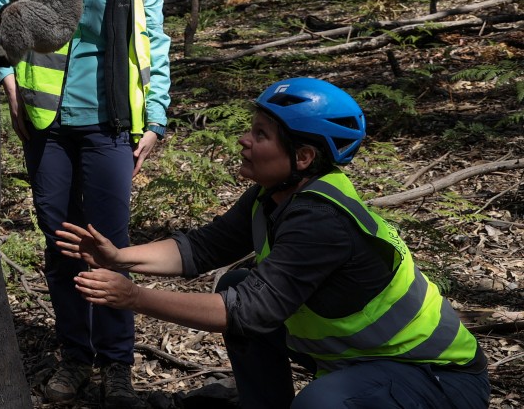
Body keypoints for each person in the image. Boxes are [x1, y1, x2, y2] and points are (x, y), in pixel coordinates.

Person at [56, 78, 490, 409]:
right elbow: (204, 248)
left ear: (302, 157)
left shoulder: (322, 220)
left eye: (260, 135)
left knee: (320, 404)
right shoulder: (275, 194)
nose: (244, 141)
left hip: (438, 378)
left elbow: (248, 311)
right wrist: (119, 257)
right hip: (361, 362)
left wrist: (133, 297)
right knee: (238, 279)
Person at [0, 0, 171, 408]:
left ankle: (117, 365)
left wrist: (155, 120)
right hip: (49, 128)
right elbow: (2, 16)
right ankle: (74, 358)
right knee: (61, 245)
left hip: (111, 128)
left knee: (109, 249)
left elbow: (154, 48)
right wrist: (9, 83)